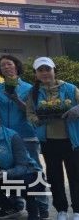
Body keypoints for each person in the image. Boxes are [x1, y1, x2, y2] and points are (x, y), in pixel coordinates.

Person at [0, 55, 50, 219]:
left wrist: (16, 99)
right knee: (12, 169)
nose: (6, 67)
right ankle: (16, 203)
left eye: (9, 64)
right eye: (2, 65)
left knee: (34, 170)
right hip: (6, 136)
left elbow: (33, 112)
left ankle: (42, 205)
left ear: (16, 66)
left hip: (26, 135)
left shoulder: (29, 88)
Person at [26, 57, 79, 220]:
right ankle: (61, 209)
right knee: (55, 177)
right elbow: (30, 113)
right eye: (40, 70)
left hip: (71, 140)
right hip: (48, 141)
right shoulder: (34, 92)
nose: (45, 73)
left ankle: (77, 210)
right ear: (36, 74)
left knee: (75, 175)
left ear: (54, 70)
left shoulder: (70, 88)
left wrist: (77, 109)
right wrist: (37, 120)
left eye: (47, 69)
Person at [0, 106, 44, 220]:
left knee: (26, 181)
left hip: (29, 173)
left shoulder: (12, 136)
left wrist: (6, 173)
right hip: (0, 174)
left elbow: (23, 166)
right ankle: (9, 208)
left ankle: (33, 212)